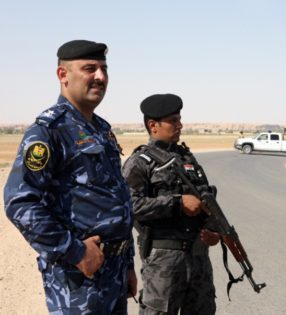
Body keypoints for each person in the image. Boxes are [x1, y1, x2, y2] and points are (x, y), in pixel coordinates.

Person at [3, 40, 137, 314]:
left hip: (114, 272)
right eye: (90, 69)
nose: (100, 77)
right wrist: (75, 252)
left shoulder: (102, 129)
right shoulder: (49, 131)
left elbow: (117, 198)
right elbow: (19, 203)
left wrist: (129, 264)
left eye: (104, 69)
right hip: (79, 280)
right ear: (63, 75)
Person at [122, 94, 220, 315]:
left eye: (179, 119)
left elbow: (207, 200)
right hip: (163, 261)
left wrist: (213, 231)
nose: (180, 125)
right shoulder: (140, 163)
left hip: (198, 257)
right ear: (153, 125)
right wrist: (177, 204)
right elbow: (129, 206)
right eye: (173, 120)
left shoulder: (187, 158)